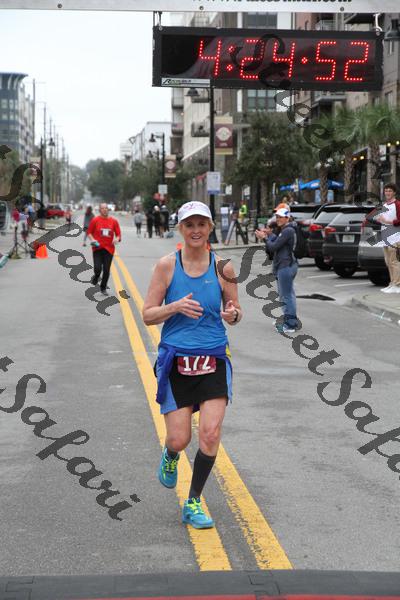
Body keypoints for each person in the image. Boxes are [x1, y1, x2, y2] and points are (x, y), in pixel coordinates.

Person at [142, 200, 242, 529]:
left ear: (210, 228)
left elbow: (235, 311)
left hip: (214, 358)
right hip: (177, 361)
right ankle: (170, 455)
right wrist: (174, 307)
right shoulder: (166, 266)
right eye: (189, 225)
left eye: (201, 224)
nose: (196, 230)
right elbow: (147, 314)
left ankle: (194, 501)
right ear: (180, 229)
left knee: (210, 434)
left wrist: (232, 314)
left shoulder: (224, 267)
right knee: (179, 439)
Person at [255, 207, 299, 333]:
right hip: (286, 265)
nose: (278, 219)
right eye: (277, 217)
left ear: (287, 218)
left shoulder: (288, 230)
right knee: (286, 294)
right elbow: (278, 241)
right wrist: (270, 234)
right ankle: (289, 319)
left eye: (281, 217)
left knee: (286, 296)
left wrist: (264, 238)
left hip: (286, 266)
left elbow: (273, 247)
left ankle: (290, 324)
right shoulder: (285, 230)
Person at [87, 203, 121, 295]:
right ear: (100, 210)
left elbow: (118, 234)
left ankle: (103, 287)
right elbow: (89, 232)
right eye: (102, 208)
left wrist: (117, 239)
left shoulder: (113, 221)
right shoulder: (95, 220)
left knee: (106, 269)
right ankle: (96, 276)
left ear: (108, 210)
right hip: (97, 248)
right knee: (97, 268)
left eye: (106, 208)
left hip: (109, 249)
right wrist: (92, 239)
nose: (105, 210)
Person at [373, 183, 400, 293]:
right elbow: (378, 217)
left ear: (394, 192)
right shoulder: (384, 205)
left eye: (390, 191)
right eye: (386, 191)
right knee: (388, 262)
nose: (387, 193)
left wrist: (388, 221)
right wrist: (378, 219)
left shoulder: (397, 204)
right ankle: (392, 283)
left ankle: (397, 285)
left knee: (394, 261)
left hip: (395, 237)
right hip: (385, 237)